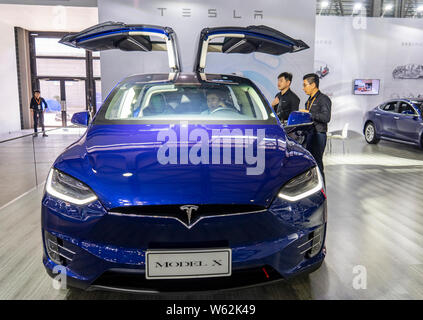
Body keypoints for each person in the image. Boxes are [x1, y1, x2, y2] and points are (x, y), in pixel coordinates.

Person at [301, 73, 331, 182]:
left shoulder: (324, 99)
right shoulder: (308, 100)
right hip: (309, 134)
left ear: (313, 85)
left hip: (319, 134)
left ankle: (322, 190)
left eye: (305, 85)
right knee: (309, 164)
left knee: (317, 163)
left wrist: (309, 113)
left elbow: (326, 117)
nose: (303, 88)